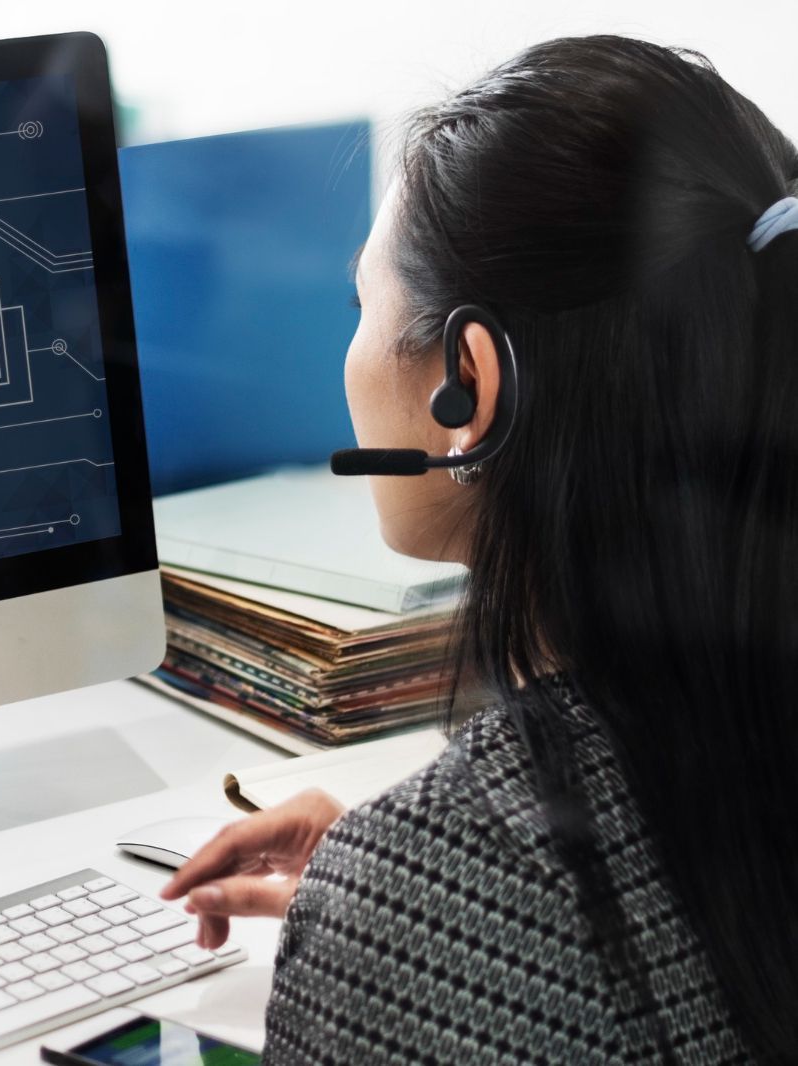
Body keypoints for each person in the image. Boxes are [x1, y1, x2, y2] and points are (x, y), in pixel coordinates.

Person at [162, 35, 798, 1064]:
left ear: (470, 384)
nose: (352, 351)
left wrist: (415, 892)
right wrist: (437, 862)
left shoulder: (415, 903)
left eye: (362, 306)